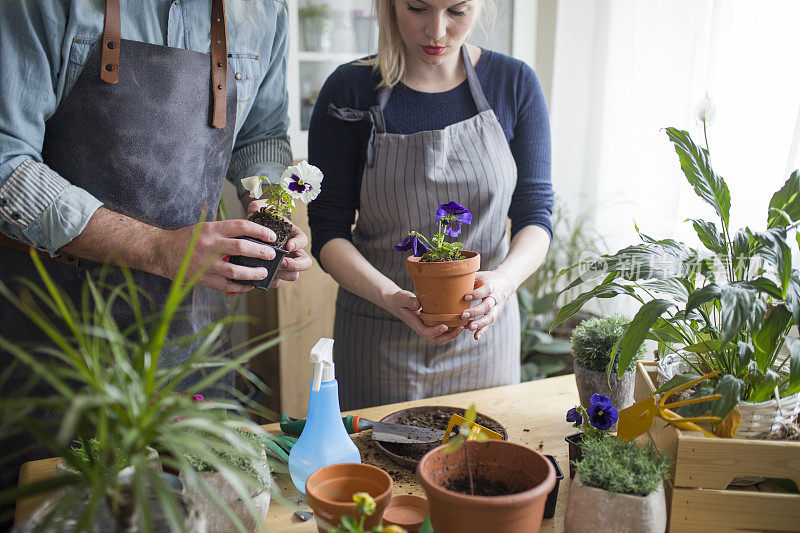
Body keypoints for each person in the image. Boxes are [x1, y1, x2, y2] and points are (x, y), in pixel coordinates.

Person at [0, 0, 311, 517]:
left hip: (191, 344)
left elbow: (261, 136)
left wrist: (267, 207)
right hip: (56, 348)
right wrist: (160, 249)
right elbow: (6, 162)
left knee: (202, 512)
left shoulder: (263, 10)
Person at [308, 0, 553, 410]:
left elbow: (536, 213)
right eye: (418, 8)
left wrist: (504, 283)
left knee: (482, 466)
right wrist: (391, 297)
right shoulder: (350, 89)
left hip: (482, 337)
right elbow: (328, 231)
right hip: (378, 338)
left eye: (457, 11)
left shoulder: (513, 83)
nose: (436, 31)